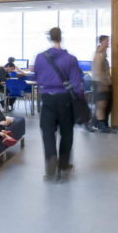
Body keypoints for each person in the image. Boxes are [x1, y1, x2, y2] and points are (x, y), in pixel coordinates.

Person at [33, 27, 85, 182]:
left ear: (49, 37)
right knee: (66, 133)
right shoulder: (70, 59)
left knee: (48, 132)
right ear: (61, 38)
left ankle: (50, 161)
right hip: (65, 101)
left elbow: (37, 78)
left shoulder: (40, 58)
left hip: (47, 99)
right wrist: (81, 101)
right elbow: (76, 84)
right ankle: (63, 164)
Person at [91, 35, 114, 132]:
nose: (108, 43)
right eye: (106, 41)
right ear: (101, 42)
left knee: (106, 105)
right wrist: (102, 84)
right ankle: (100, 125)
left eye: (108, 41)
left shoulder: (103, 54)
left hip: (105, 83)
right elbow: (97, 70)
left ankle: (98, 123)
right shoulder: (99, 54)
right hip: (100, 83)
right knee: (101, 104)